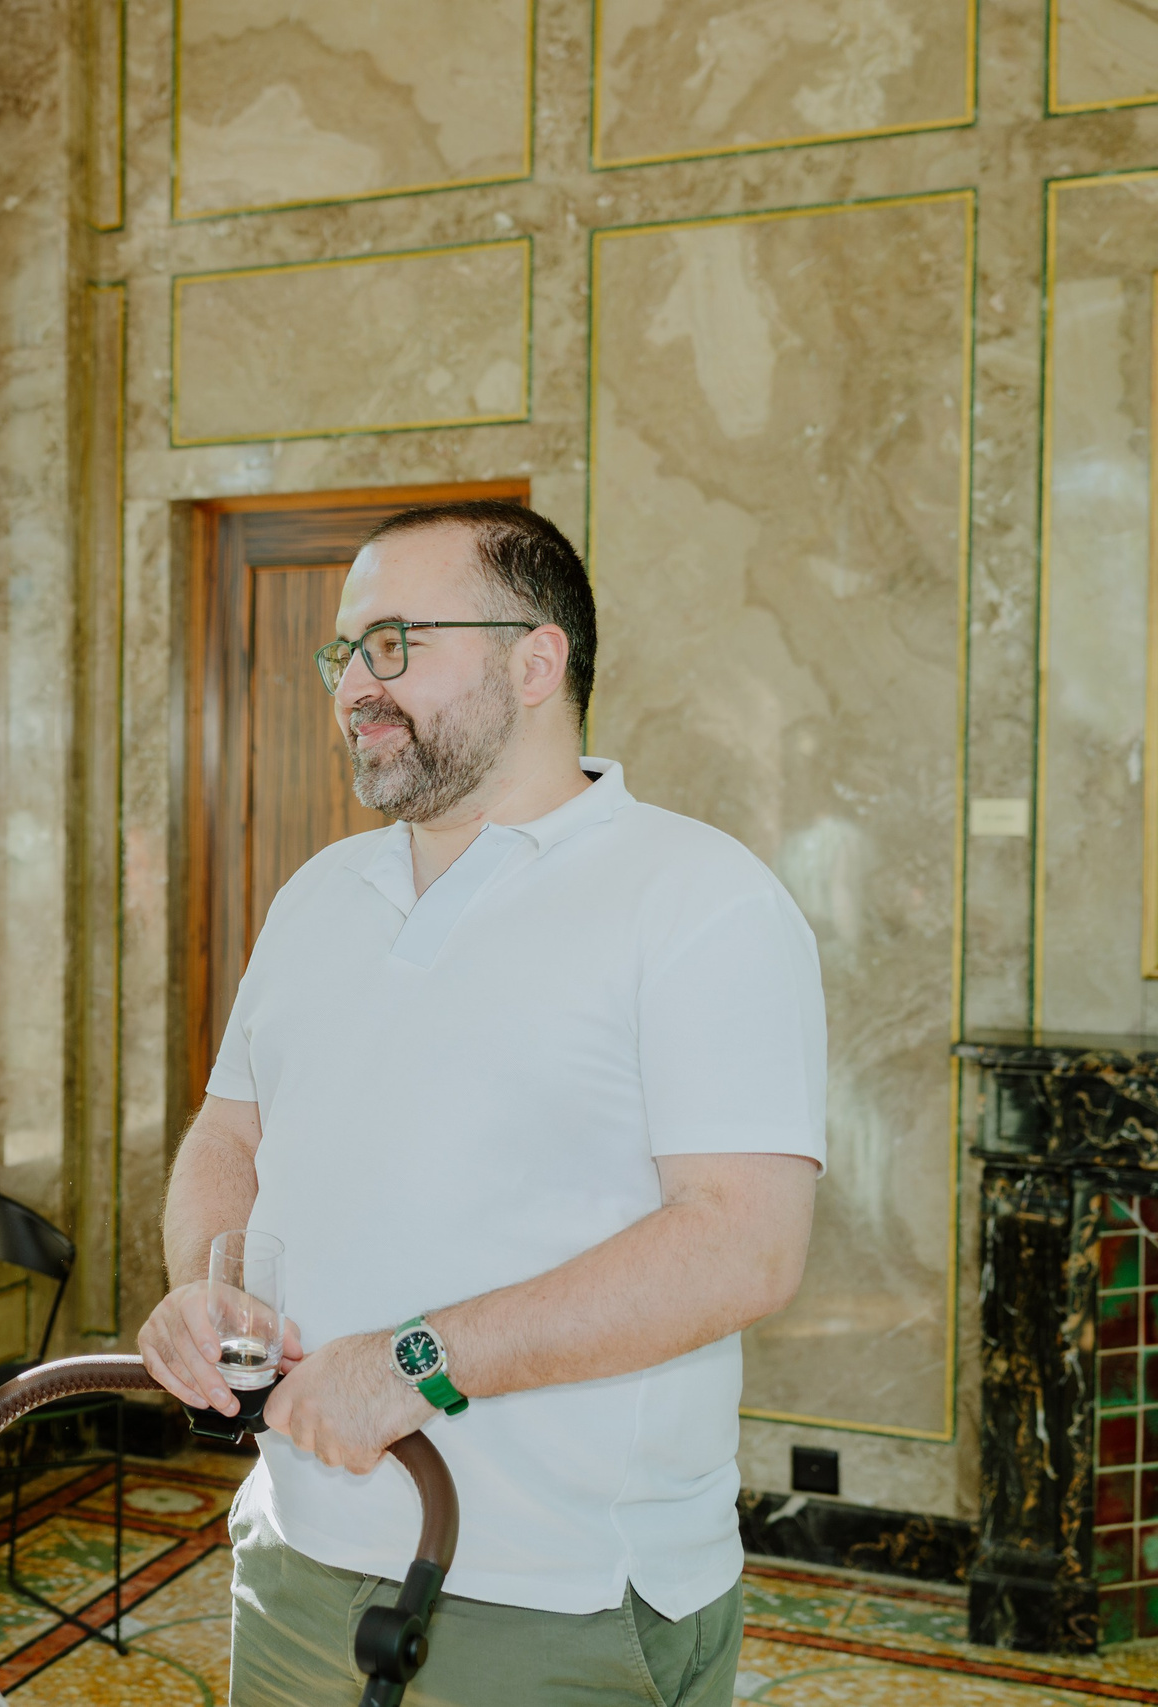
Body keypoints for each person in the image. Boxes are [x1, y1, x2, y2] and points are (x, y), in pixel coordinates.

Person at [138, 500, 824, 1707]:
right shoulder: (318, 894)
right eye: (345, 652)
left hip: (557, 1601)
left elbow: (743, 1245)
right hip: (290, 1563)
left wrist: (416, 1364)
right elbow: (230, 1134)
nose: (355, 684)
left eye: (394, 643)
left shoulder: (700, 897)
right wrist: (206, 1286)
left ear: (535, 661)